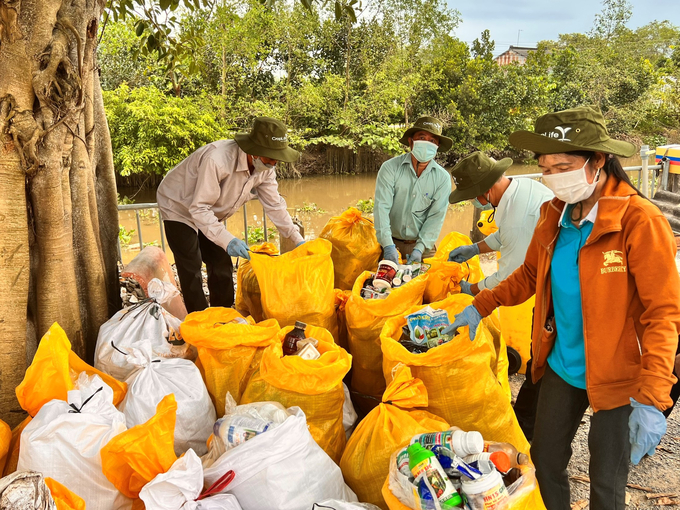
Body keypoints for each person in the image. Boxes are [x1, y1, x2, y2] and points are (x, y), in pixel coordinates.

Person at [444, 106, 680, 509]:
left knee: (607, 483)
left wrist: (655, 394)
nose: (553, 177)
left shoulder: (640, 220)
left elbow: (663, 312)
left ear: (598, 161)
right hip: (562, 364)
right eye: (545, 167)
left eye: (563, 166)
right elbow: (528, 275)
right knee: (545, 460)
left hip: (619, 377)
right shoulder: (553, 214)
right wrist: (480, 304)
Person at [447, 151, 553, 440]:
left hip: (554, 289)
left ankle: (525, 430)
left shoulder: (521, 213)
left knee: (542, 360)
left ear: (486, 191)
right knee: (541, 357)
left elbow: (511, 277)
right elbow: (504, 236)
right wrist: (476, 248)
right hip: (548, 282)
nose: (474, 202)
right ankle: (529, 419)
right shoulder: (518, 189)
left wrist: (474, 290)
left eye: (473, 197)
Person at [157, 117, 304, 313]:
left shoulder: (266, 169)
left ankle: (224, 314)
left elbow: (274, 205)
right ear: (254, 151)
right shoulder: (217, 160)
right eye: (270, 158)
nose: (273, 163)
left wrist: (297, 239)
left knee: (220, 262)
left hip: (209, 211)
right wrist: (228, 240)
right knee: (191, 264)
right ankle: (200, 319)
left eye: (277, 158)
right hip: (178, 205)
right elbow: (198, 209)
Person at [374, 116, 452, 264]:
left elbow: (436, 217)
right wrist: (388, 245)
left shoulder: (442, 178)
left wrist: (420, 248)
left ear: (437, 147)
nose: (427, 143)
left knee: (431, 284)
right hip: (390, 242)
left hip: (422, 246)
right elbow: (381, 207)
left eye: (432, 141)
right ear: (411, 141)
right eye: (422, 137)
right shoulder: (390, 168)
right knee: (382, 284)